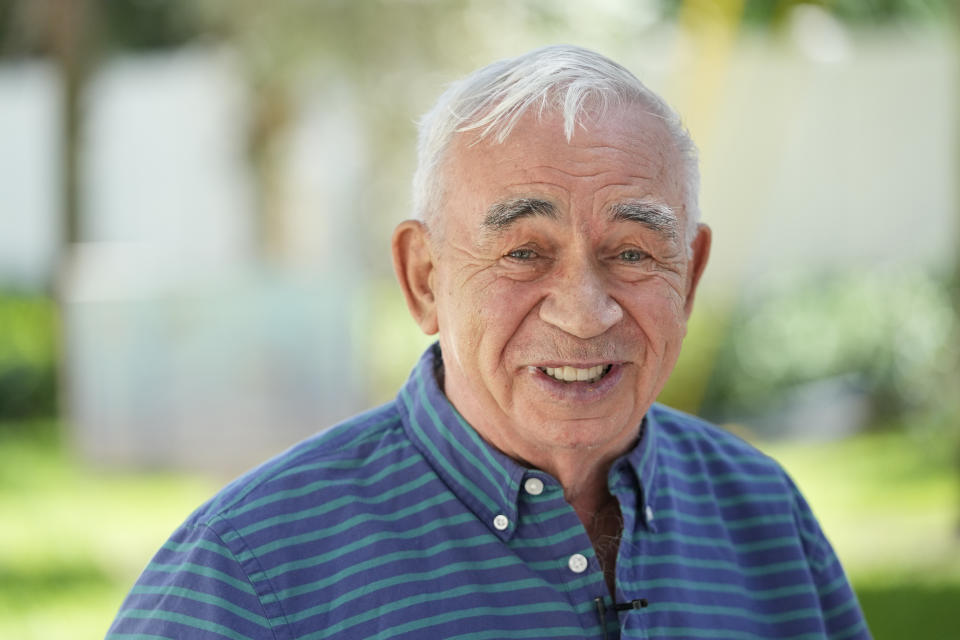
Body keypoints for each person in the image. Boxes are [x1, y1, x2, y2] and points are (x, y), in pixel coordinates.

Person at [107, 45, 870, 640]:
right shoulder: (250, 569)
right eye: (523, 252)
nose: (585, 312)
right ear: (424, 278)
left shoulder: (765, 517)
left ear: (691, 275)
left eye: (634, 252)